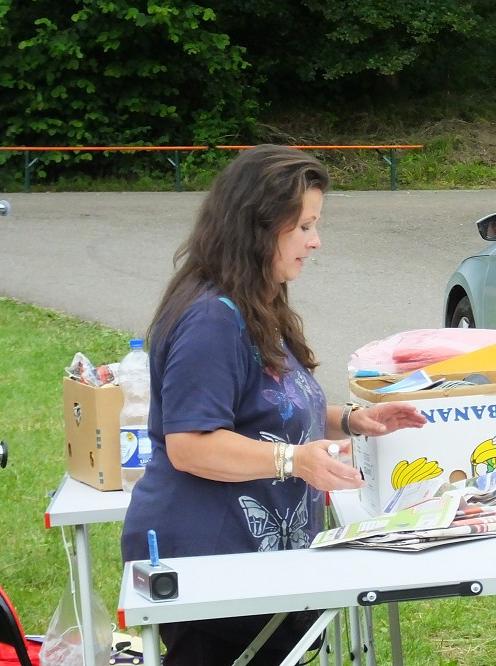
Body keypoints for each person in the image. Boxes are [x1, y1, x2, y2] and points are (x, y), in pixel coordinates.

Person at [121, 144, 426, 665]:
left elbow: (269, 410)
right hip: (213, 566)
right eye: (304, 226)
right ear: (259, 227)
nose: (316, 241)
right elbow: (192, 444)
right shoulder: (212, 319)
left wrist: (350, 421)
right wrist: (295, 461)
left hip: (258, 564)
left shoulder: (254, 301)